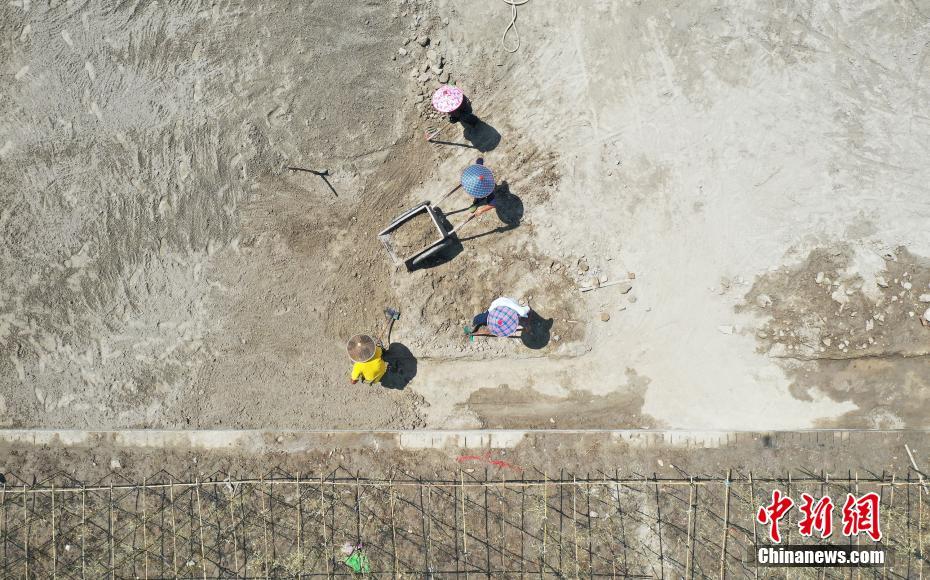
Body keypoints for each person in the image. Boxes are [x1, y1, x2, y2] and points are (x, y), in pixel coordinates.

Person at [465, 296, 531, 340]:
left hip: (505, 310)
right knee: (482, 318)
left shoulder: (518, 312)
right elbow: (527, 309)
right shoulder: (520, 311)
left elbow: (527, 311)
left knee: (492, 326)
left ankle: (474, 329)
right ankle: (474, 323)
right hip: (497, 305)